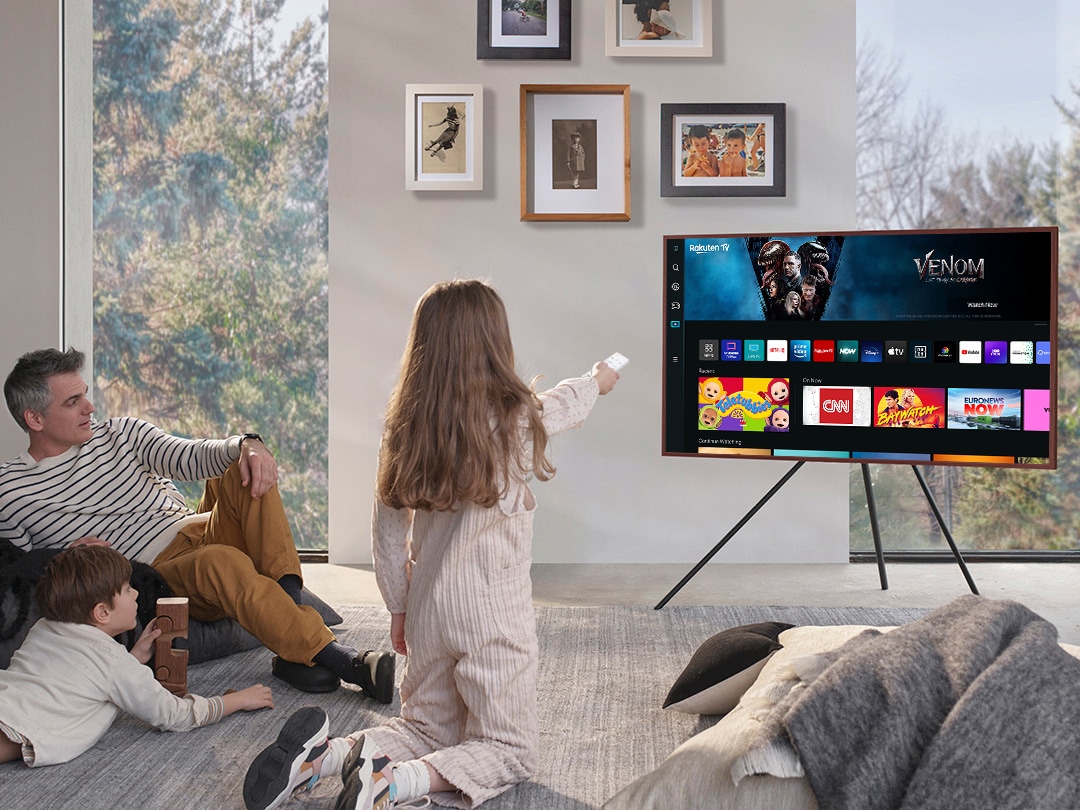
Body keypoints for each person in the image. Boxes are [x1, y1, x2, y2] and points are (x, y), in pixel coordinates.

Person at [242, 279, 621, 810]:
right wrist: (599, 378)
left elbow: (387, 535)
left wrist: (399, 609)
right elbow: (566, 403)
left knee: (425, 728)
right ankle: (392, 785)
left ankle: (323, 758)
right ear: (494, 344)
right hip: (492, 616)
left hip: (427, 610)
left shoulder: (402, 432)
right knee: (509, 749)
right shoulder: (514, 419)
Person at [0, 348, 394, 701]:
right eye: (73, 401)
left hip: (199, 525)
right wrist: (64, 556)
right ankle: (347, 663)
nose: (89, 407)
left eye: (85, 394)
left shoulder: (121, 433)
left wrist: (249, 444)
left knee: (239, 467)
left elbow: (195, 456)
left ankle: (292, 623)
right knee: (222, 562)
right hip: (159, 568)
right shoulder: (10, 490)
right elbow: (17, 570)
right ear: (34, 417)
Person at [0, 544, 273, 768]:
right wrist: (235, 700)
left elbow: (78, 677)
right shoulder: (112, 662)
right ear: (102, 612)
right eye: (128, 589)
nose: (137, 593)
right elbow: (173, 714)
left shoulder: (44, 628)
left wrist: (134, 658)